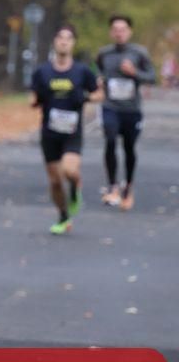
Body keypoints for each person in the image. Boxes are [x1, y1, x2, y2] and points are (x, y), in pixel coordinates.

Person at [30, 24, 101, 235]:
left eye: (68, 38)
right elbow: (33, 97)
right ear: (54, 42)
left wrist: (86, 97)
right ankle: (63, 216)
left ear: (73, 43)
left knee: (69, 171)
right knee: (55, 181)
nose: (63, 41)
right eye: (60, 38)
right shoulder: (42, 71)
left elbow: (99, 94)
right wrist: (36, 100)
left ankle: (76, 187)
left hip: (72, 131)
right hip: (49, 132)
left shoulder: (82, 71)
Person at [96, 14, 156, 210]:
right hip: (110, 106)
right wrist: (99, 81)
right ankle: (112, 186)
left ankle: (128, 187)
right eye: (115, 30)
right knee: (110, 140)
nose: (119, 33)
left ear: (129, 32)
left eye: (122, 30)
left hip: (132, 109)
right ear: (110, 32)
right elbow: (98, 71)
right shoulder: (104, 53)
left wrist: (134, 73)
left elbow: (152, 77)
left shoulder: (139, 53)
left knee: (129, 148)